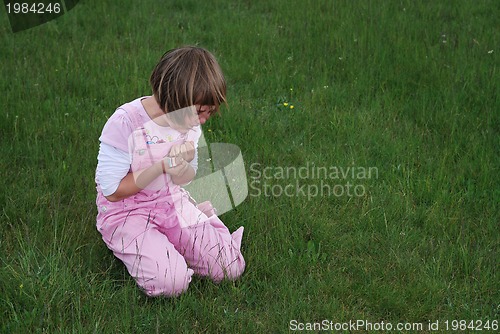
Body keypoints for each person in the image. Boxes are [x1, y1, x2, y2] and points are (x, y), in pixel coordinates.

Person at [95, 46, 245, 297]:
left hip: (169, 203)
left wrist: (182, 165)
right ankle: (134, 243)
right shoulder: (126, 123)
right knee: (170, 283)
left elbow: (187, 177)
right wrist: (160, 166)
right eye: (199, 112)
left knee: (228, 267)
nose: (204, 120)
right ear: (175, 101)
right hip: (127, 211)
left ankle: (191, 229)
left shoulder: (189, 122)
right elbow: (112, 191)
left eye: (209, 112)